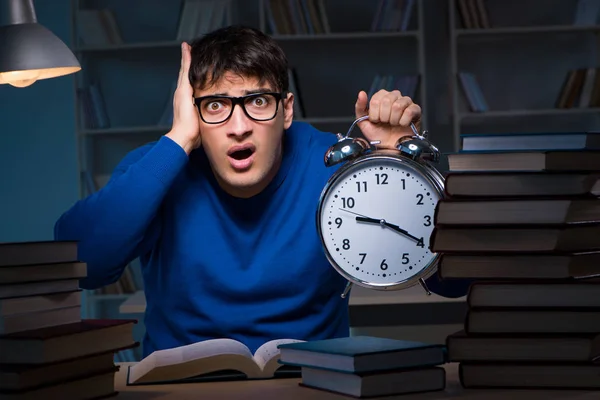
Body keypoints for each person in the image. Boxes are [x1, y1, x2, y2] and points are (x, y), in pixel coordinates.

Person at [55, 25, 469, 358]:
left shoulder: (337, 166)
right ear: (190, 110)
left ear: (286, 109)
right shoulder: (159, 166)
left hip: (313, 384)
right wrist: (178, 140)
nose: (238, 126)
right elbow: (84, 266)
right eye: (214, 105)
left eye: (257, 101)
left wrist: (400, 167)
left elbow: (454, 281)